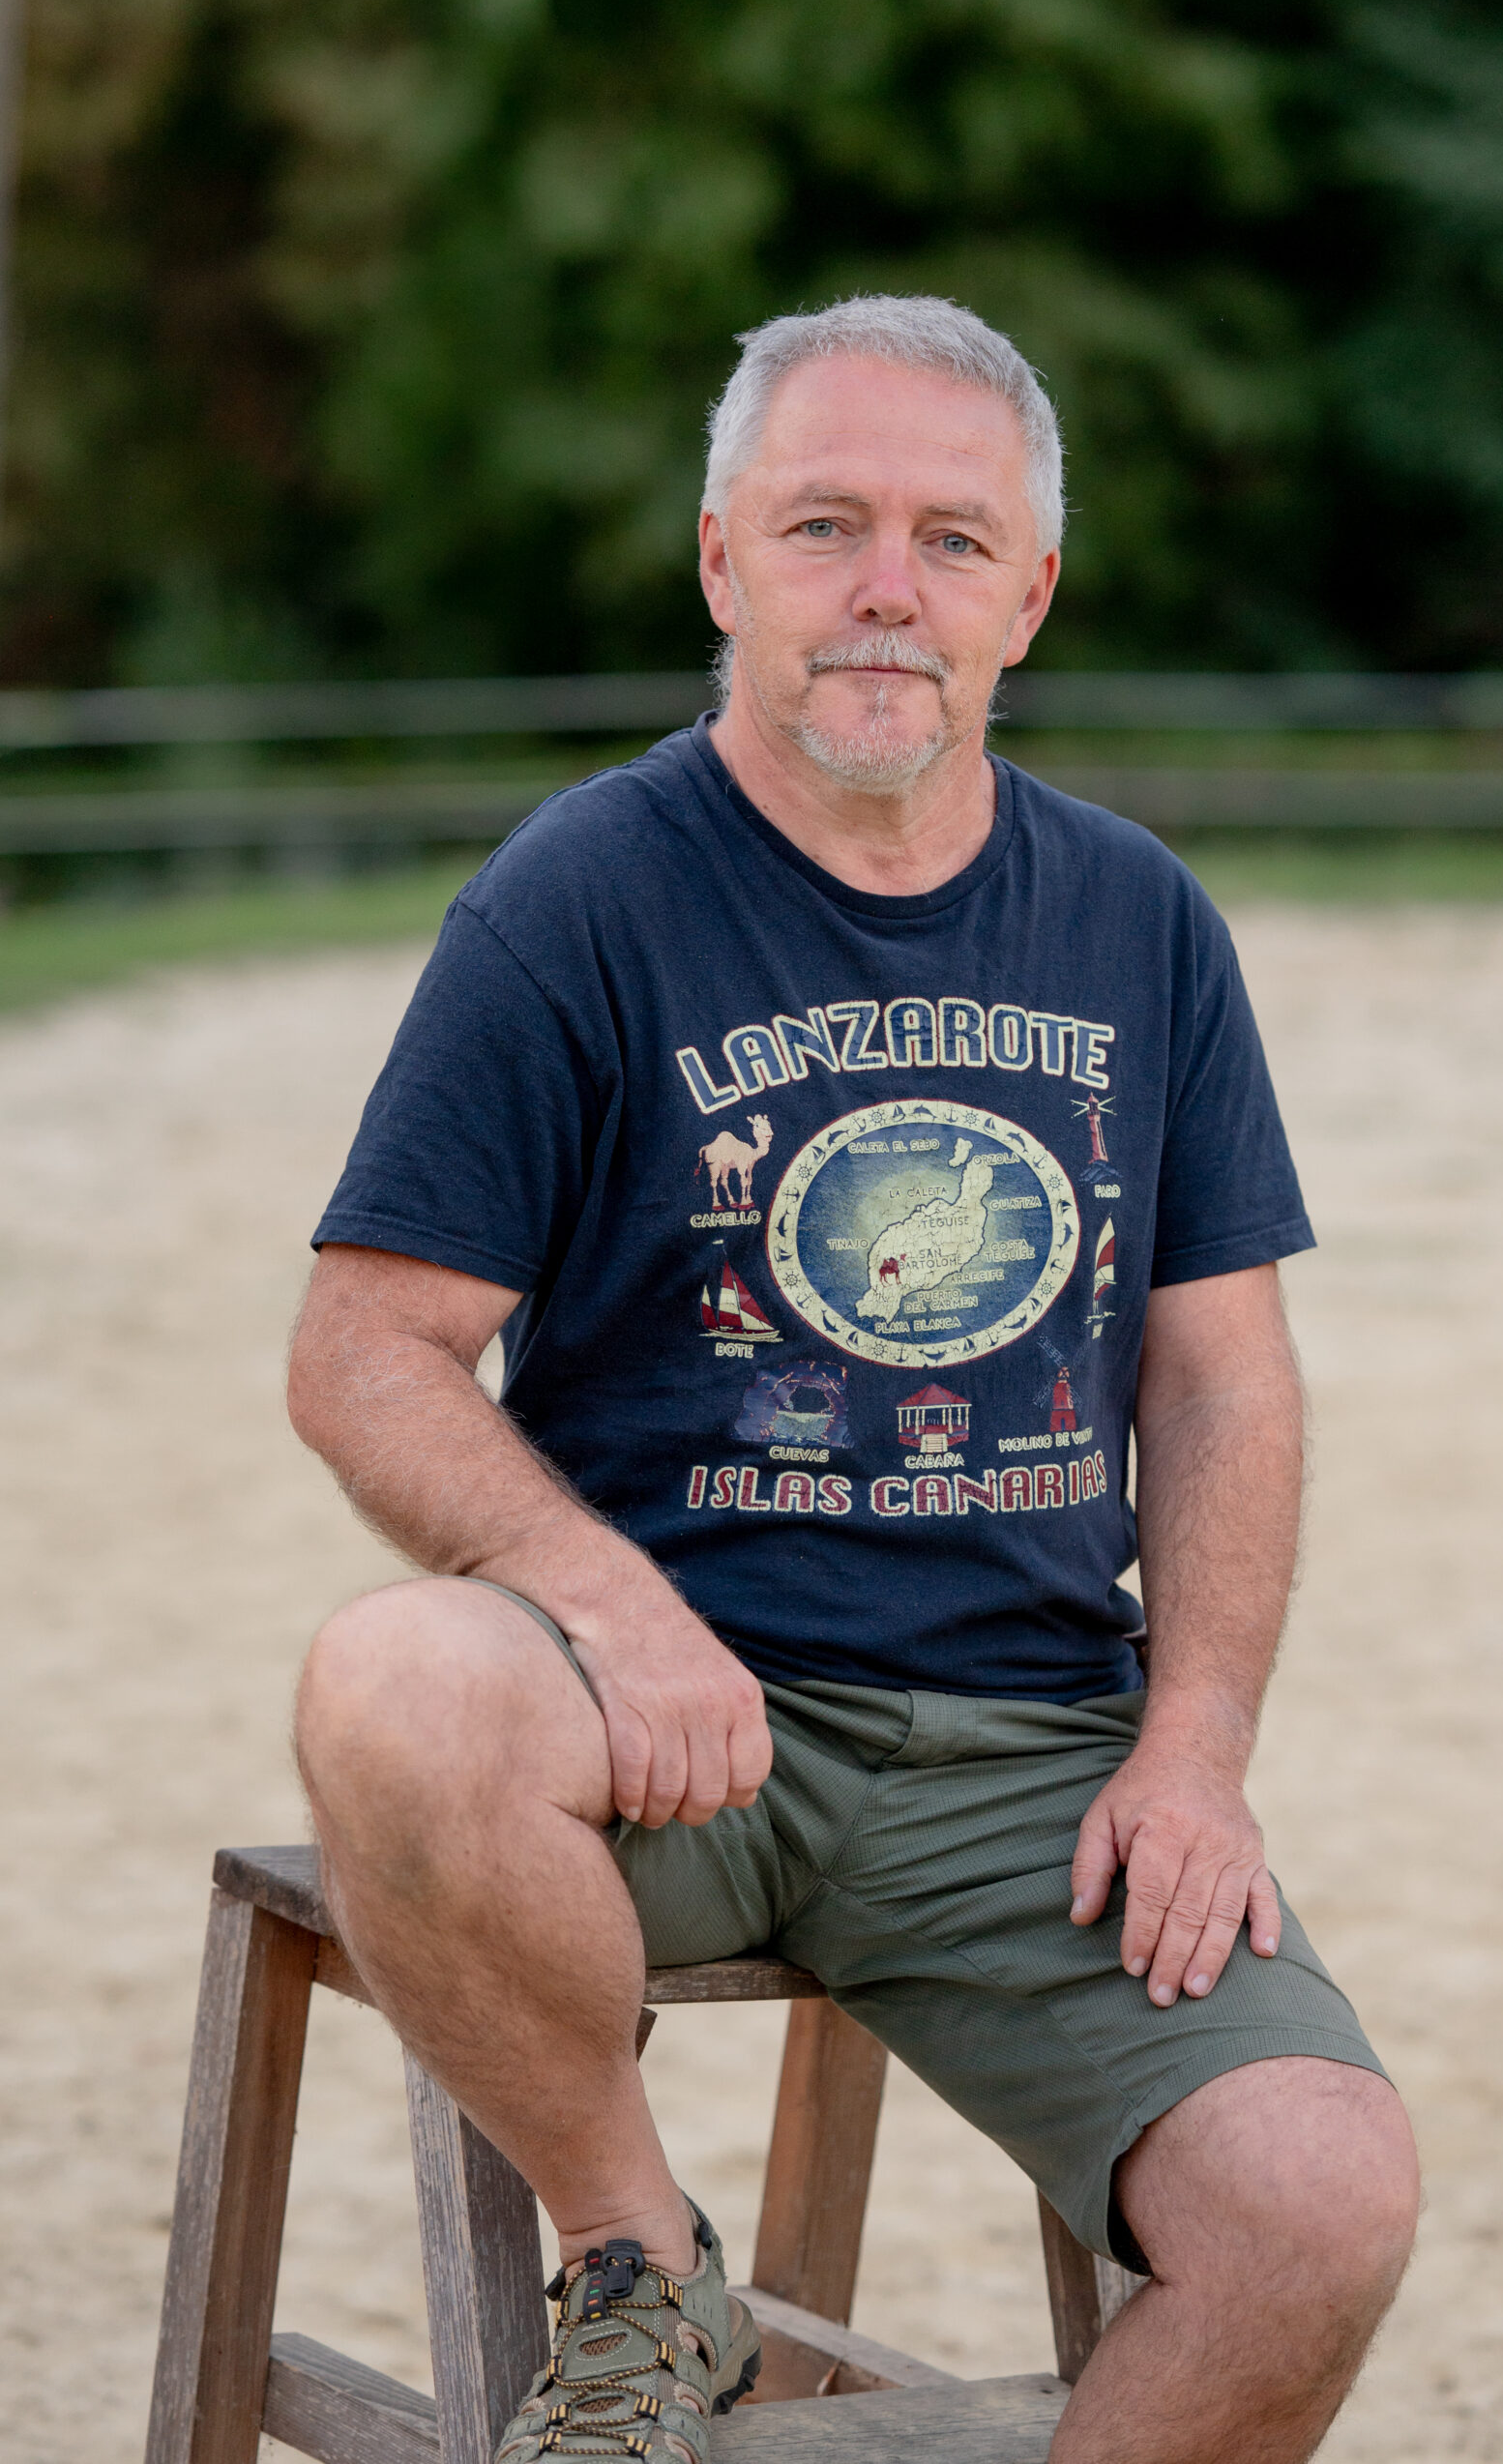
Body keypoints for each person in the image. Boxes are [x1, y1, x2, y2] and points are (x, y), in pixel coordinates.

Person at [288, 295, 1418, 2464]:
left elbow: (1221, 1384)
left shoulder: (1140, 920)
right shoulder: (576, 899)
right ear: (724, 560)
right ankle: (643, 2274)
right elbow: (365, 1348)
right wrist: (609, 1606)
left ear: (1031, 598)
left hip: (1029, 1753)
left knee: (1321, 2201)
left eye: (951, 538)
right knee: (395, 1681)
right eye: (826, 525)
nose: (890, 586)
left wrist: (1196, 1745)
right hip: (663, 1733)